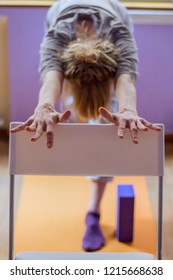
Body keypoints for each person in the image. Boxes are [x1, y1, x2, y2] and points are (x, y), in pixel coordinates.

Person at [10, 0, 161, 251]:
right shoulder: (56, 38)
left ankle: (93, 212)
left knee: (108, 118)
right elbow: (51, 77)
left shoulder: (120, 36)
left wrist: (127, 110)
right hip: (61, 15)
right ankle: (70, 109)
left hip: (114, 14)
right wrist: (45, 106)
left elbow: (126, 80)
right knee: (66, 106)